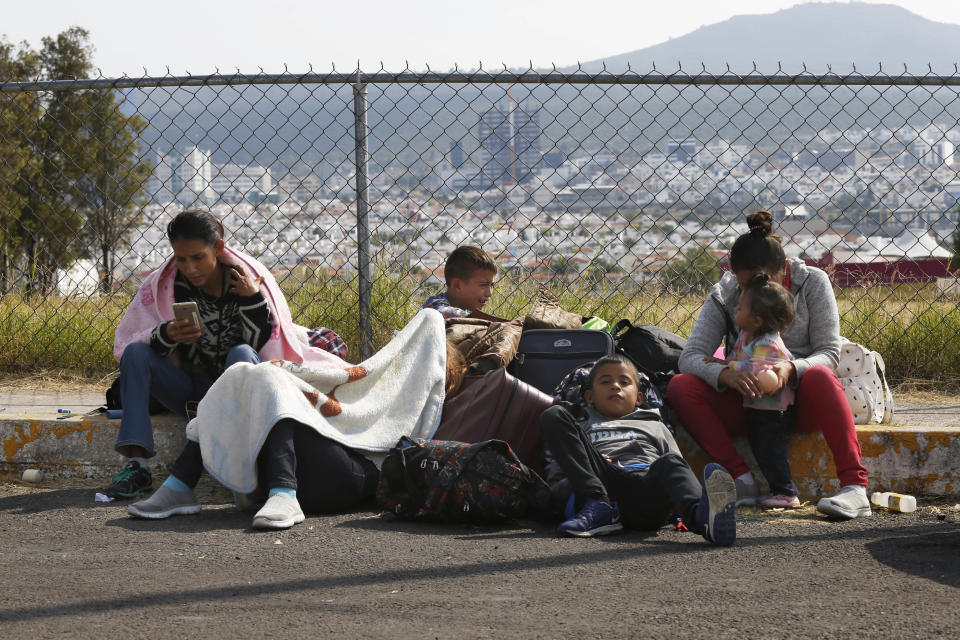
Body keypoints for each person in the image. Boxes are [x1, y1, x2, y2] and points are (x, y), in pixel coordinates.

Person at [668, 210, 871, 520]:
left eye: (764, 282)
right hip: (750, 407)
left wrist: (790, 369)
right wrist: (724, 374)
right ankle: (740, 479)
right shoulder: (725, 294)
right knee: (680, 385)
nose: (751, 293)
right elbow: (691, 356)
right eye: (745, 285)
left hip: (798, 401)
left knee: (820, 375)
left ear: (784, 270)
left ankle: (854, 488)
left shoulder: (813, 283)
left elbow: (829, 351)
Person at [104, 210, 271, 499]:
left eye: (197, 257)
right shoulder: (168, 286)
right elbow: (132, 339)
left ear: (218, 249)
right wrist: (166, 335)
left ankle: (246, 467)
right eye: (181, 259)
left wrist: (252, 300)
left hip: (232, 394)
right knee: (135, 354)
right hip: (187, 391)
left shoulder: (244, 282)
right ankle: (137, 465)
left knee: (242, 353)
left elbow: (262, 350)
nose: (190, 268)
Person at [539, 354, 737, 546]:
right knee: (554, 414)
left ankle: (702, 519)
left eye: (624, 382)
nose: (615, 386)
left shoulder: (655, 424)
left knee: (671, 461)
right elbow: (563, 469)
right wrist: (589, 468)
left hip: (646, 489)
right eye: (605, 382)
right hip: (603, 486)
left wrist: (679, 501)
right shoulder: (582, 425)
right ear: (589, 397)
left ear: (639, 398)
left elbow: (678, 467)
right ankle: (598, 506)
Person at [706, 272, 800, 509]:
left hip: (773, 409)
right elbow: (738, 357)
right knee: (760, 446)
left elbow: (759, 368)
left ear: (757, 320)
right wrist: (725, 361)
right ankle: (778, 489)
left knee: (771, 450)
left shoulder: (767, 342)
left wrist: (728, 365)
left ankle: (786, 492)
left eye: (739, 308)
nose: (735, 310)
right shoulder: (747, 335)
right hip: (758, 406)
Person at [422, 245, 497, 319]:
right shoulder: (433, 306)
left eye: (492, 285)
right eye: (483, 285)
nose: (489, 293)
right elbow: (447, 313)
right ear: (457, 285)